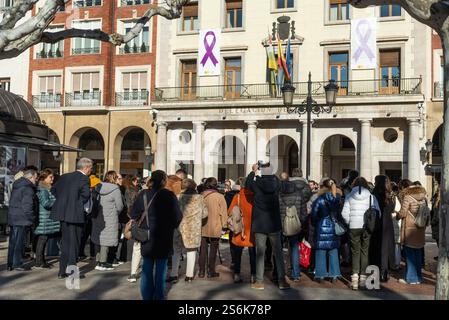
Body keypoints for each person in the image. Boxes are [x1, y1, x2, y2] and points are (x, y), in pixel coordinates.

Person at [130, 170, 182, 300]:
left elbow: (134, 214)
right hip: (164, 235)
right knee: (161, 269)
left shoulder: (143, 194)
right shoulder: (170, 195)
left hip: (146, 235)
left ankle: (147, 296)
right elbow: (178, 217)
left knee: (147, 268)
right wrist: (171, 226)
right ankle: (158, 295)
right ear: (164, 181)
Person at [246, 163, 290, 290]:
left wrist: (253, 172)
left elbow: (247, 185)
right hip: (274, 223)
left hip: (260, 223)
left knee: (260, 252)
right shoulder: (276, 183)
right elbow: (282, 184)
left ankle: (259, 281)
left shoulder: (257, 183)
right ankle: (281, 281)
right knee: (278, 253)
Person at [50, 158, 92, 279]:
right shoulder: (84, 178)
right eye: (90, 168)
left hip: (63, 213)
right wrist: (75, 204)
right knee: (74, 243)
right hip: (75, 214)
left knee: (66, 242)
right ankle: (72, 272)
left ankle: (61, 271)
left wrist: (64, 201)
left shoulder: (65, 176)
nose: (91, 170)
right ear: (86, 167)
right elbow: (86, 195)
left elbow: (54, 189)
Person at [341, 177, 380, 290]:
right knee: (365, 251)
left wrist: (350, 221)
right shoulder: (371, 197)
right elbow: (377, 213)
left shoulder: (349, 196)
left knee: (355, 252)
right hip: (367, 227)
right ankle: (363, 279)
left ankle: (354, 279)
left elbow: (344, 214)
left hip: (354, 227)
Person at [311, 178, 343, 284]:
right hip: (334, 227)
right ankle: (334, 275)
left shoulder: (319, 200)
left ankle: (320, 275)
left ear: (323, 187)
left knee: (321, 251)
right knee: (333, 251)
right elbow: (340, 214)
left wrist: (315, 223)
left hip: (321, 227)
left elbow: (314, 215)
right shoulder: (338, 199)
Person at [91, 171, 124, 271]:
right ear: (114, 178)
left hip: (98, 216)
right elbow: (120, 206)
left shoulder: (98, 187)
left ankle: (97, 260)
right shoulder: (115, 189)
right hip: (110, 216)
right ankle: (103, 262)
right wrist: (115, 212)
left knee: (98, 236)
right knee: (106, 239)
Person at [7, 169, 38, 271]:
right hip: (21, 218)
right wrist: (32, 218)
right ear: (30, 177)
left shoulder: (17, 185)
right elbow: (27, 207)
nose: (36, 180)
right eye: (35, 177)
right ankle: (17, 264)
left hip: (14, 217)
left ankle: (10, 264)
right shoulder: (27, 189)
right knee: (19, 243)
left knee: (13, 242)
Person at [177, 179, 208, 282]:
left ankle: (173, 273)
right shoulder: (200, 198)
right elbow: (205, 214)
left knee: (176, 250)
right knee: (191, 251)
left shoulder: (178, 197)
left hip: (179, 227)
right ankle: (189, 275)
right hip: (193, 227)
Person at [397, 181, 427, 285]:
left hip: (409, 229)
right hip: (420, 229)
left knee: (409, 255)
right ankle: (418, 277)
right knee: (418, 254)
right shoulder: (423, 198)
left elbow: (403, 212)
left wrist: (397, 216)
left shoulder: (407, 197)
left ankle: (411, 278)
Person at [279, 174, 308, 282]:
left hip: (281, 225)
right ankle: (296, 274)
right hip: (295, 225)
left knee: (279, 250)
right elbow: (304, 211)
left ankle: (280, 273)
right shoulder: (299, 193)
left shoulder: (278, 193)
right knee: (294, 249)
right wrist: (301, 222)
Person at [227, 178, 256, 284]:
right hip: (252, 228)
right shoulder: (255, 196)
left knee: (237, 253)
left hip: (240, 228)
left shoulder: (237, 196)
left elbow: (230, 211)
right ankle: (253, 275)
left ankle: (237, 274)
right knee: (253, 253)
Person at [199, 177, 228, 278]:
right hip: (216, 226)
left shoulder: (201, 195)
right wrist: (225, 226)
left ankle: (201, 271)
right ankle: (211, 271)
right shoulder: (220, 196)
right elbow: (224, 213)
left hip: (202, 225)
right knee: (213, 249)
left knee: (202, 249)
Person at [372, 175, 396, 282]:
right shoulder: (390, 195)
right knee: (386, 249)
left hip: (377, 223)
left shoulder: (374, 194)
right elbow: (392, 208)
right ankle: (385, 273)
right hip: (387, 223)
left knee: (376, 248)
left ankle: (376, 273)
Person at [34, 169, 59, 269]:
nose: (52, 179)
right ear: (44, 178)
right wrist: (57, 202)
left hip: (47, 219)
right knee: (42, 239)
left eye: (53, 177)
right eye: (50, 177)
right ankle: (39, 261)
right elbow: (45, 203)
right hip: (44, 219)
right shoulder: (43, 189)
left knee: (43, 239)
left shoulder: (46, 188)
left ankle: (41, 260)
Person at [125, 175, 142, 283]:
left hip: (139, 221)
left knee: (137, 248)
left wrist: (132, 218)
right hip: (151, 224)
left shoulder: (140, 193)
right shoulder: (136, 192)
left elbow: (132, 208)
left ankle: (133, 273)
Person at [224, 178, 241, 271]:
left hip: (231, 221)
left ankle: (234, 261)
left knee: (232, 242)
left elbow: (227, 209)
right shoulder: (243, 195)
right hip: (242, 222)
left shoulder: (228, 195)